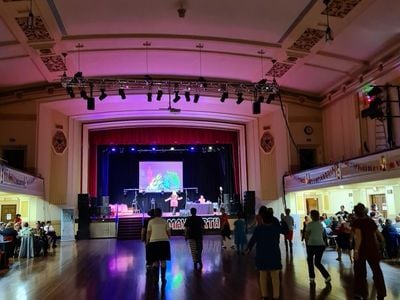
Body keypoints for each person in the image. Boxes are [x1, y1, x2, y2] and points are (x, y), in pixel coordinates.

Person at [246, 205, 282, 300]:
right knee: (275, 276)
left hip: (262, 254)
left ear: (263, 219)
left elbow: (253, 240)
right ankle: (276, 296)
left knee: (263, 275)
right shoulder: (275, 228)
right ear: (272, 219)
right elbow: (285, 230)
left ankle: (264, 296)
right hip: (274, 254)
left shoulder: (259, 229)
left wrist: (248, 248)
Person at [352, 203, 386, 300]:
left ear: (356, 212)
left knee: (360, 272)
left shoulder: (357, 222)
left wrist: (356, 251)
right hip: (373, 248)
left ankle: (361, 293)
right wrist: (381, 245)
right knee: (377, 271)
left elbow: (359, 237)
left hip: (362, 249)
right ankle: (381, 293)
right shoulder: (370, 221)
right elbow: (378, 235)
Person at [305, 210, 331, 284]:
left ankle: (312, 278)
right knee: (317, 262)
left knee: (310, 261)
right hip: (321, 245)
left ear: (312, 216)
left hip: (311, 245)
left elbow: (307, 236)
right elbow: (322, 234)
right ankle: (327, 276)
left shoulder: (309, 224)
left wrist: (307, 244)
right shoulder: (320, 224)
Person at [146, 208, 171, 287]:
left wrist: (147, 243)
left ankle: (155, 279)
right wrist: (166, 238)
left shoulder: (151, 222)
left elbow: (148, 234)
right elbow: (169, 233)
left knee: (155, 261)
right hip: (164, 242)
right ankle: (163, 278)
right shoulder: (165, 221)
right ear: (161, 214)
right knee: (163, 261)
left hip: (153, 242)